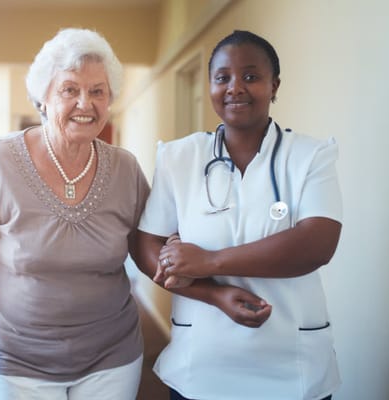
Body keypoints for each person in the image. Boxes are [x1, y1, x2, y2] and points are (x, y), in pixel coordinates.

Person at [131, 30, 344, 400]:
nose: (235, 88)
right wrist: (213, 294)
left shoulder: (311, 156)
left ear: (274, 85)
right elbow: (144, 243)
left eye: (250, 76)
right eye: (222, 77)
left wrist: (208, 260)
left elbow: (317, 244)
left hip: (292, 369)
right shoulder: (180, 158)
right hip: (201, 367)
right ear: (211, 85)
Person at [0, 28, 146, 400]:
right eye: (70, 90)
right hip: (16, 360)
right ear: (44, 98)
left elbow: (147, 245)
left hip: (111, 356)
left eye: (97, 91)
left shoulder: (126, 169)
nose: (85, 103)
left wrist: (196, 264)